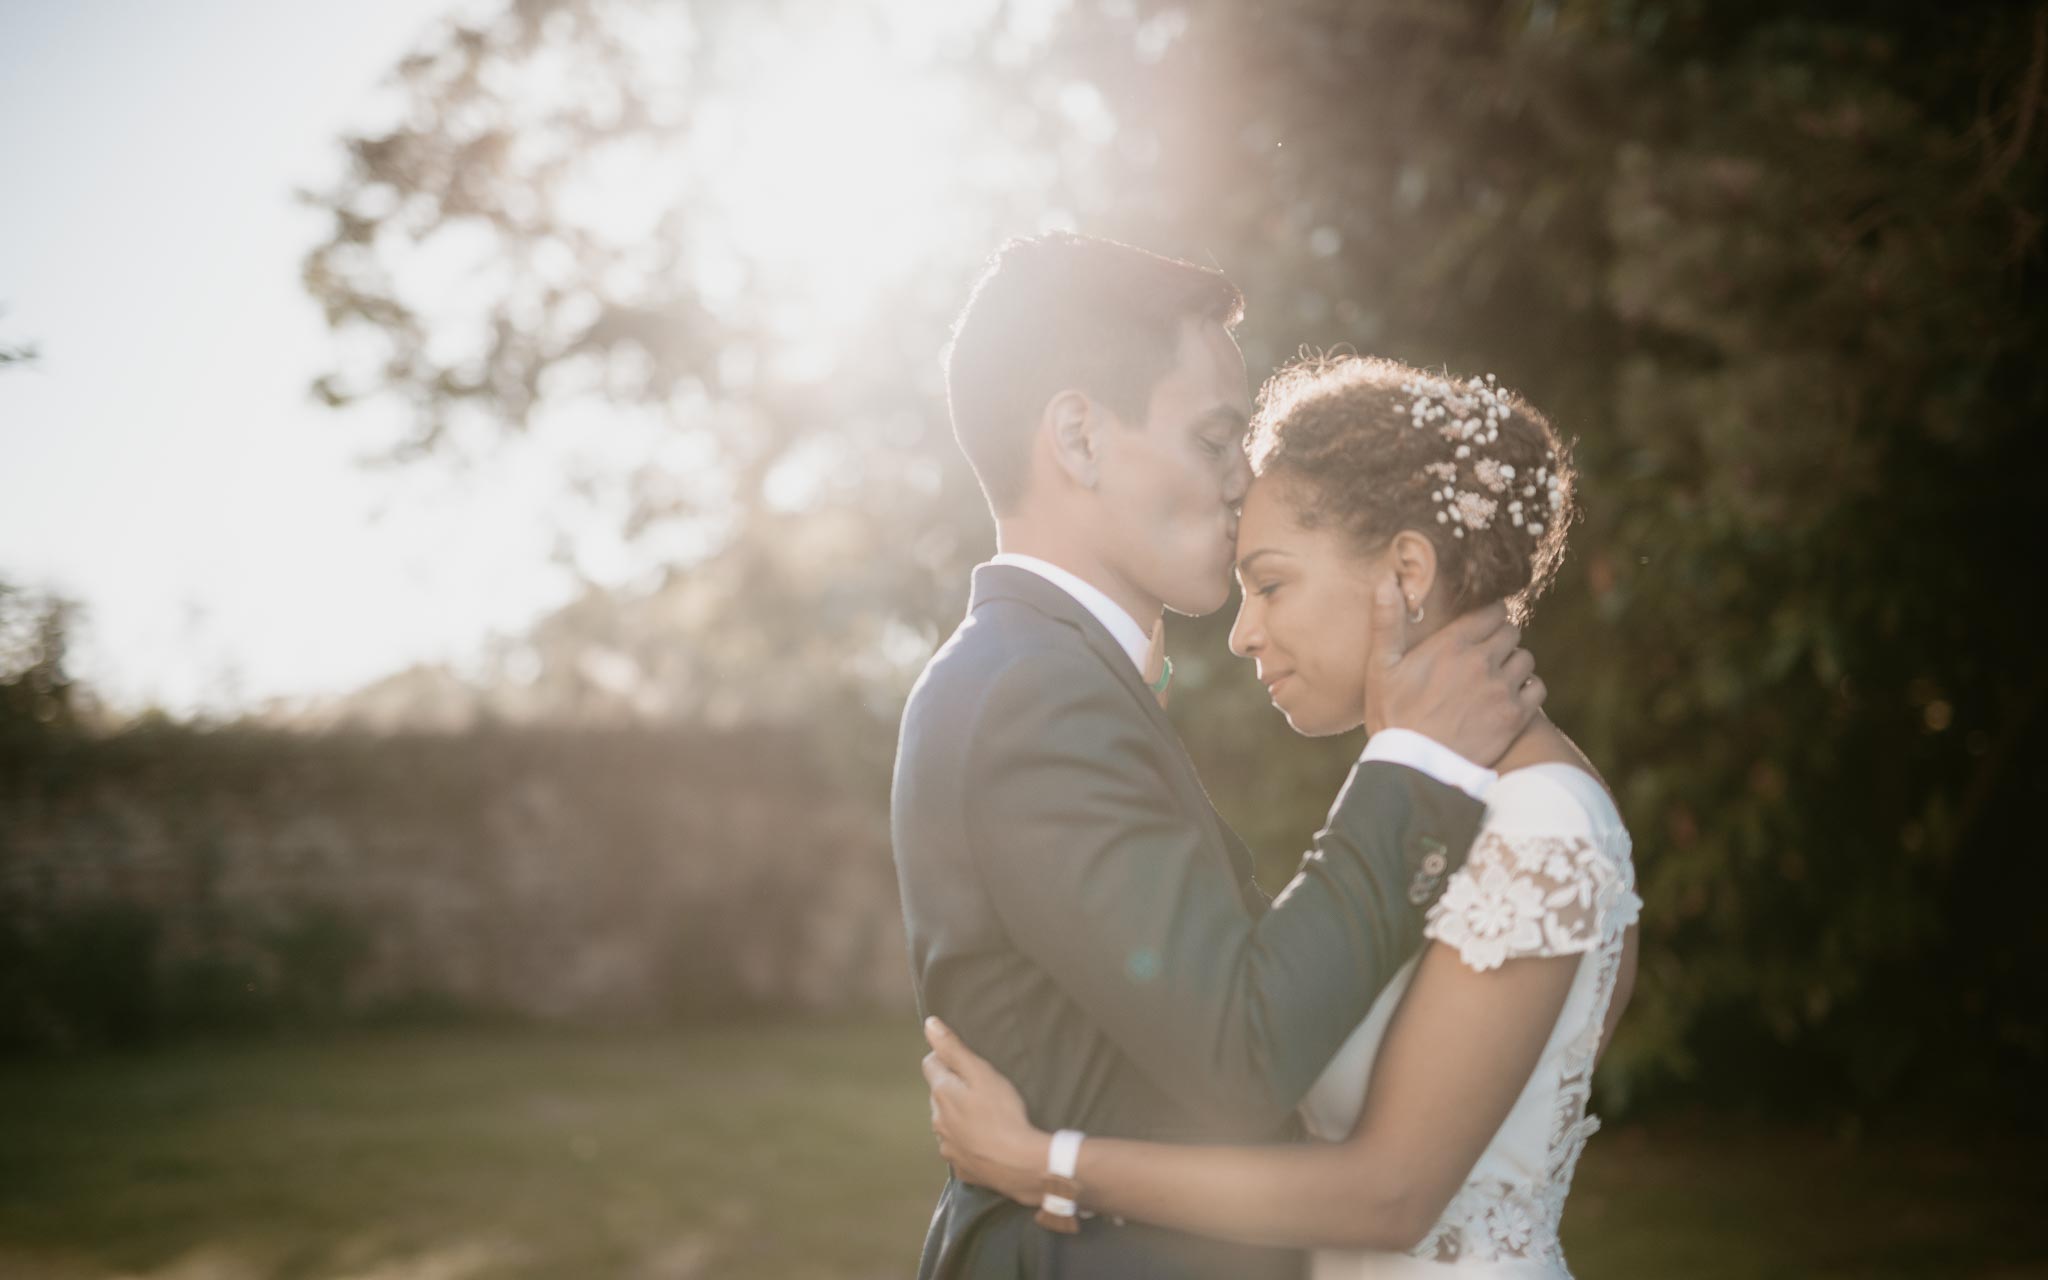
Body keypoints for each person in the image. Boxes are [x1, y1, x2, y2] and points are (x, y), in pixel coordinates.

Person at [892, 234, 1545, 1280]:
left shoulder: (1044, 675)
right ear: (1077, 435)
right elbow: (1242, 1048)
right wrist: (1417, 763)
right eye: (1212, 438)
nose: (1246, 483)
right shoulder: (1031, 694)